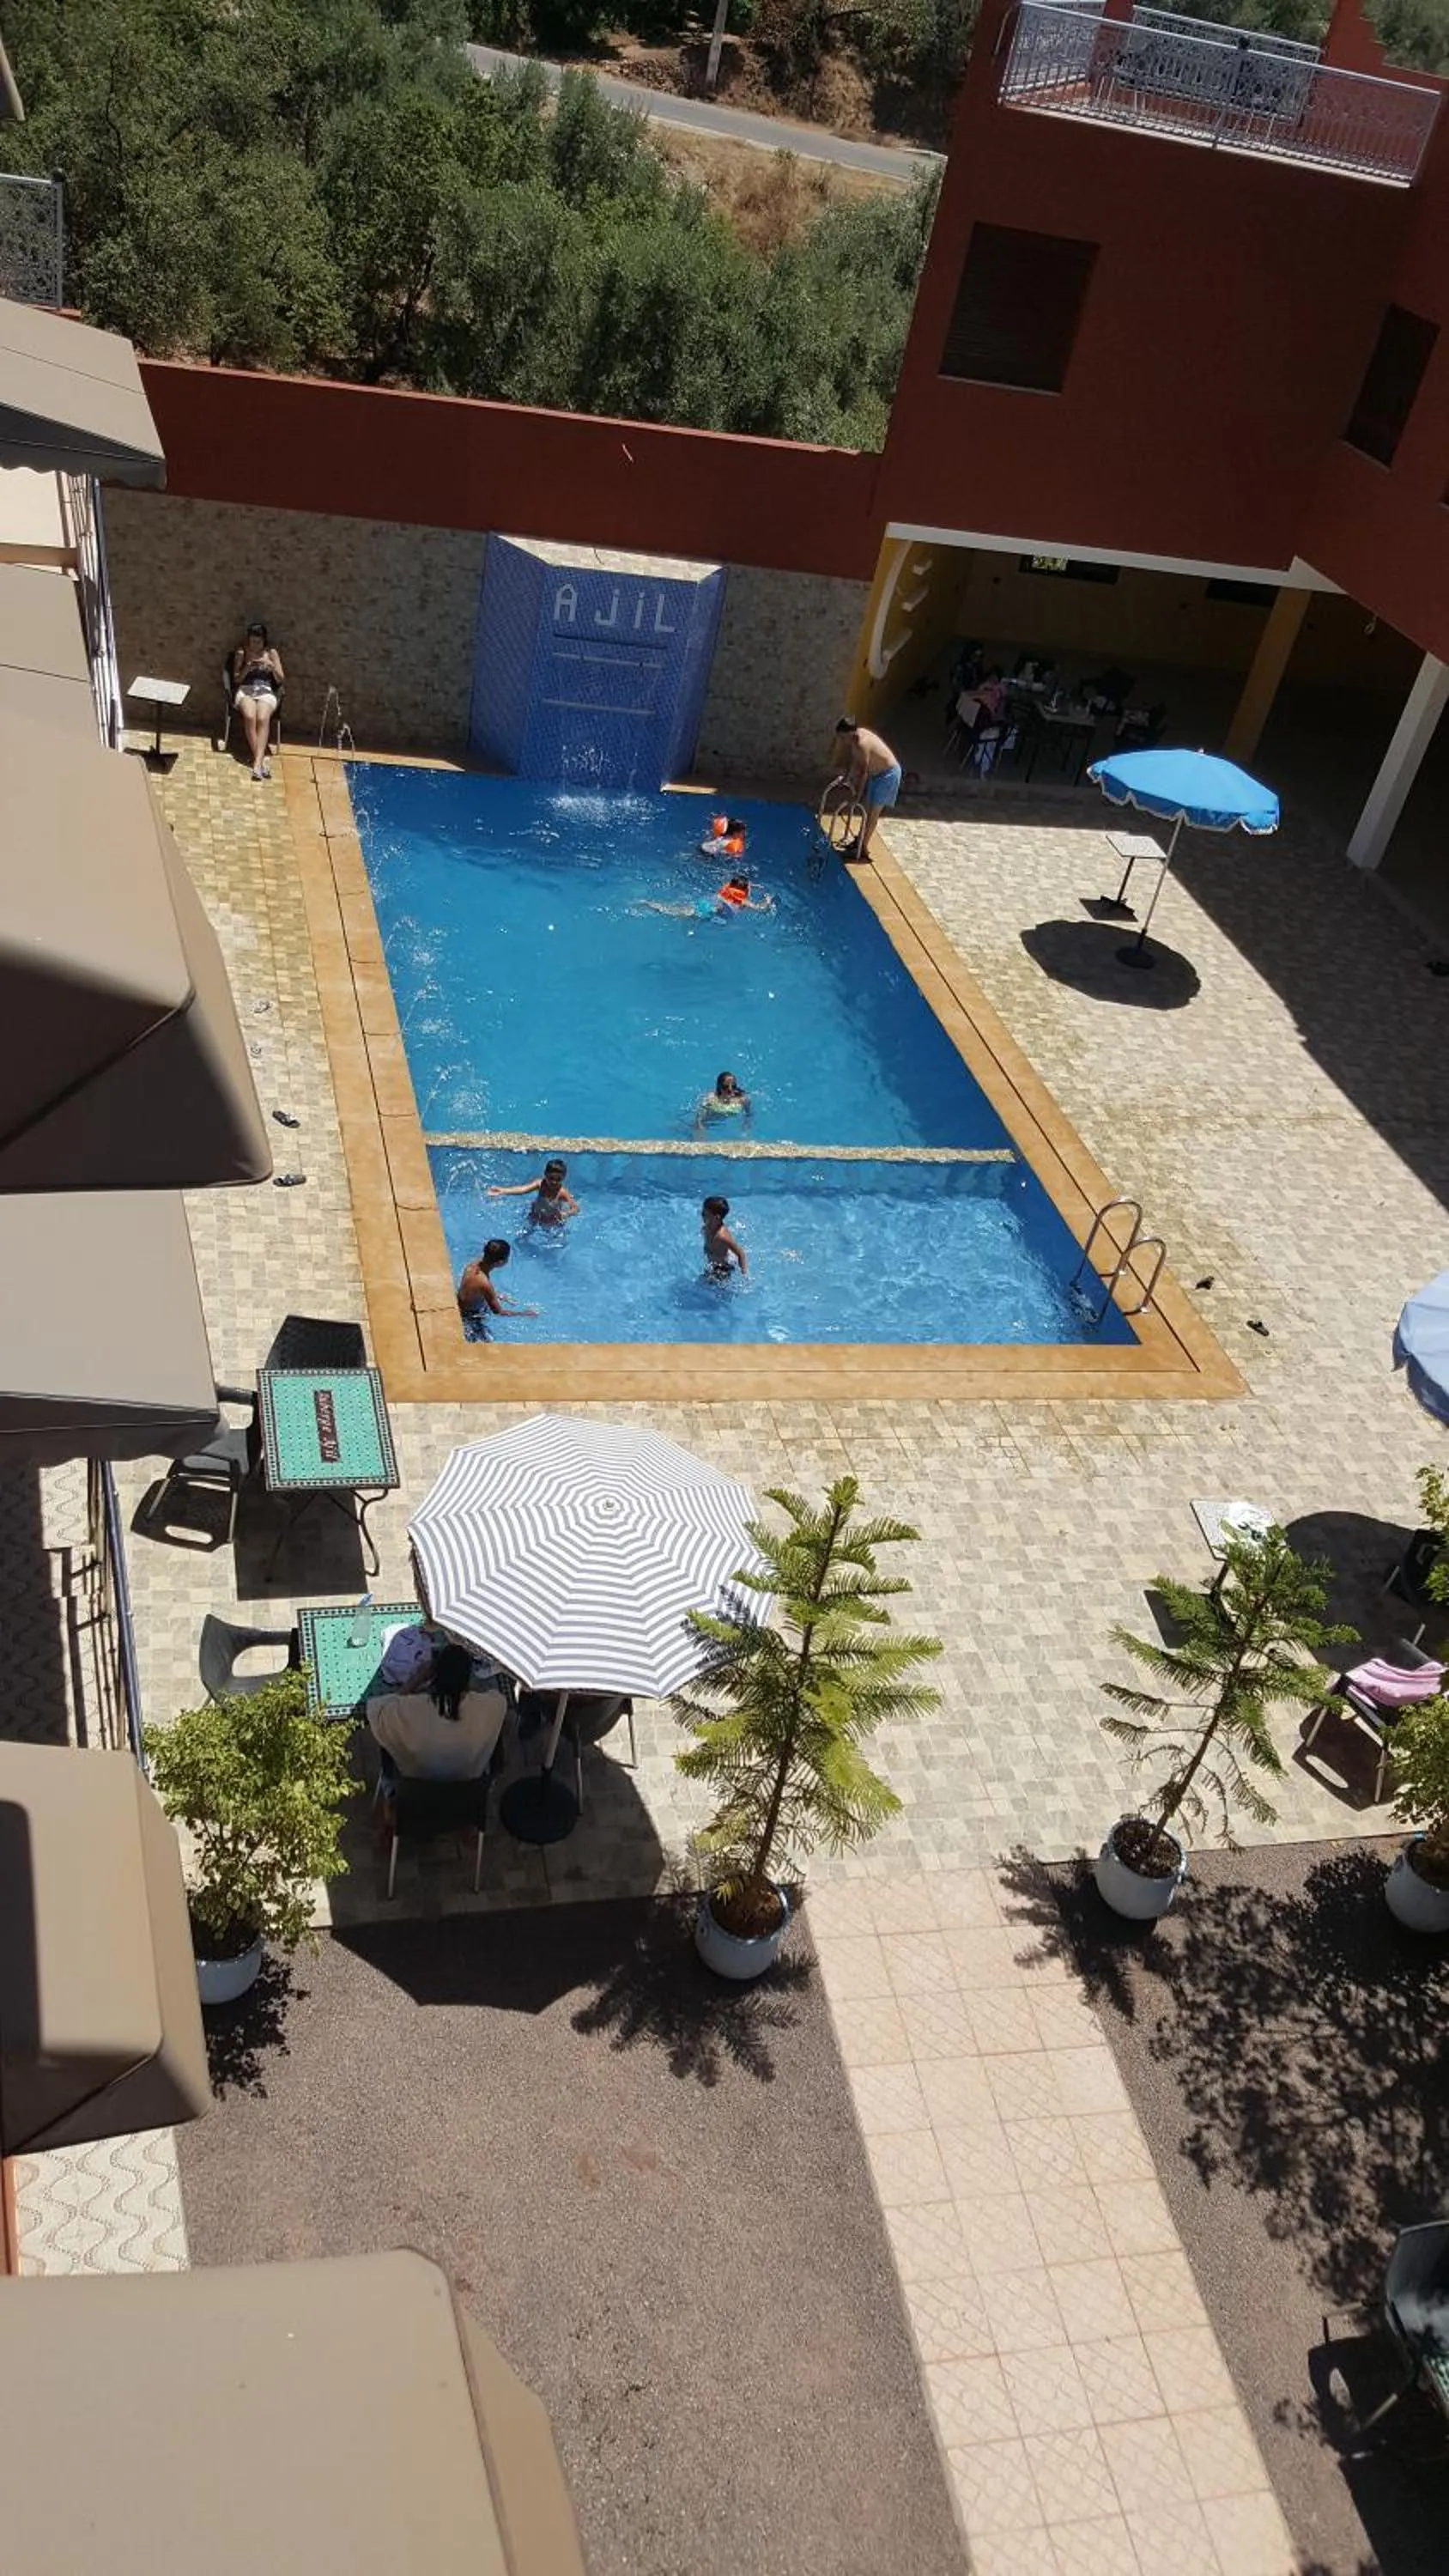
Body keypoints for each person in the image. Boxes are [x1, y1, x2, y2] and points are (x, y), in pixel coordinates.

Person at [367, 1641, 508, 1784]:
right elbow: (498, 1699)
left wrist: (416, 1680)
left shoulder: (411, 1709)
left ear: (433, 1676)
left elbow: (379, 1709)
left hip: (415, 1790)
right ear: (468, 1678)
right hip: (470, 1792)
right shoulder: (491, 1706)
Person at [833, 718, 902, 860]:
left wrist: (857, 796)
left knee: (872, 814)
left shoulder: (862, 743)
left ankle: (862, 848)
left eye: (843, 737)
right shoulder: (855, 739)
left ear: (850, 734)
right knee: (867, 809)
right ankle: (860, 841)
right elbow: (854, 761)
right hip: (876, 776)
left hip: (888, 775)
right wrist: (846, 778)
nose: (842, 741)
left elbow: (863, 773)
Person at [230, 623, 284, 782]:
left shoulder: (271, 653)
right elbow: (236, 679)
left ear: (264, 641)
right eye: (252, 642)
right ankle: (259, 763)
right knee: (249, 717)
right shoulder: (241, 652)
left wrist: (271, 666)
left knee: (262, 718)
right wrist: (247, 667)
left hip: (265, 690)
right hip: (246, 690)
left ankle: (257, 764)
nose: (255, 645)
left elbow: (281, 679)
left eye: (258, 642)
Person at [457, 1237, 539, 1327]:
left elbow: (475, 1288)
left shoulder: (472, 1265)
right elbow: (499, 1312)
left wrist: (497, 1295)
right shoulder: (485, 1284)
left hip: (462, 1303)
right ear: (500, 1262)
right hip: (470, 1317)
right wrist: (524, 1314)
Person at [486, 1157, 579, 1226]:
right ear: (545, 1174)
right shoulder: (540, 1184)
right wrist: (503, 1191)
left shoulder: (562, 1193)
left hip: (552, 1218)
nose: (554, 1182)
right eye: (551, 1178)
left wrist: (565, 1214)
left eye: (558, 1179)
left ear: (564, 1178)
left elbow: (575, 1208)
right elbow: (522, 1190)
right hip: (535, 1214)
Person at [639, 876, 773, 920]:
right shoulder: (743, 901)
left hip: (707, 902)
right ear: (744, 891)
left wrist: (750, 885)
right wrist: (767, 900)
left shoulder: (726, 890)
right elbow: (760, 909)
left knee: (681, 910)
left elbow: (736, 883)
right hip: (711, 911)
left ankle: (648, 904)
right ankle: (649, 905)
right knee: (678, 914)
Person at [701, 1194, 747, 1280]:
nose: (702, 1215)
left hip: (724, 1267)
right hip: (713, 1263)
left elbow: (740, 1253)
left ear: (717, 1217)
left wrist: (744, 1275)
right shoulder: (706, 1227)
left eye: (705, 1214)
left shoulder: (722, 1236)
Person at [695, 1069, 751, 1134]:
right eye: (725, 1087)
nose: (730, 1089)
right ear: (719, 1087)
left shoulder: (742, 1100)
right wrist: (700, 1130)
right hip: (711, 1122)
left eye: (733, 1086)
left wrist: (746, 1126)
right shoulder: (711, 1099)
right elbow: (699, 1118)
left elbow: (749, 1115)